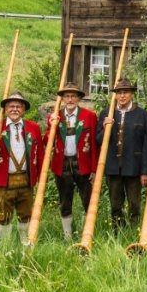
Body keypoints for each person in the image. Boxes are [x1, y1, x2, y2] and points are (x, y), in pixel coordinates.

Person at [0, 92, 43, 245]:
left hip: (26, 180)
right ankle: (3, 245)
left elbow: (40, 153)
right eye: (11, 106)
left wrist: (39, 178)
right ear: (6, 109)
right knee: (3, 215)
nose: (15, 109)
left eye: (18, 106)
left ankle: (24, 243)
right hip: (4, 181)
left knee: (25, 214)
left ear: (24, 110)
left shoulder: (33, 127)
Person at [98, 78, 147, 231]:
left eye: (125, 92)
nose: (122, 96)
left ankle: (134, 232)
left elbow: (146, 145)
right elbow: (98, 140)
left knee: (134, 203)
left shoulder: (142, 115)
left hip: (133, 167)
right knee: (115, 203)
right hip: (113, 167)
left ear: (132, 94)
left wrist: (145, 171)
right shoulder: (106, 113)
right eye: (119, 93)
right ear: (115, 95)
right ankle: (117, 231)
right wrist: (104, 126)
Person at [48, 82, 98, 240]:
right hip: (62, 165)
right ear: (62, 99)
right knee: (65, 199)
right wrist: (51, 126)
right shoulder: (55, 117)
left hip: (83, 164)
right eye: (67, 96)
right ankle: (67, 235)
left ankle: (88, 233)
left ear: (78, 99)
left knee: (87, 199)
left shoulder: (89, 116)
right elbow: (46, 141)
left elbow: (96, 146)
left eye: (73, 96)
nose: (70, 99)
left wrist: (95, 169)